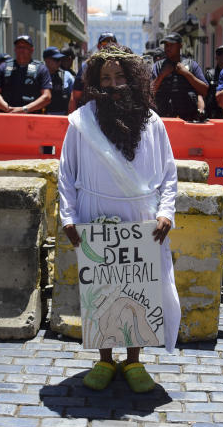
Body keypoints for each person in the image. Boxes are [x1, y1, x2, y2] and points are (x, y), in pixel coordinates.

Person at [58, 45, 180, 393]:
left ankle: (134, 360)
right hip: (95, 215)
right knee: (103, 289)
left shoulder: (152, 122)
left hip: (141, 218)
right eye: (105, 79)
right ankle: (105, 358)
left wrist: (165, 212)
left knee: (137, 291)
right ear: (96, 83)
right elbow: (66, 172)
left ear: (134, 78)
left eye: (120, 77)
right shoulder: (82, 121)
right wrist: (68, 215)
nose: (113, 85)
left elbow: (169, 174)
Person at [150, 33, 208, 120]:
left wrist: (187, 74)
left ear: (180, 46)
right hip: (164, 118)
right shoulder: (158, 66)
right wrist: (162, 75)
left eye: (171, 45)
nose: (168, 48)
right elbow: (150, 93)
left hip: (188, 118)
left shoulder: (192, 65)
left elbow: (205, 90)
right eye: (166, 45)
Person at [0, 34, 52, 113]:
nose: (21, 50)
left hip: (31, 117)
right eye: (19, 47)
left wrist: (24, 109)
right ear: (15, 49)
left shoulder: (41, 69)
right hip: (7, 115)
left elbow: (47, 97)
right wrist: (7, 109)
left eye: (25, 47)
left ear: (32, 50)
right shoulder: (4, 67)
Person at [69, 32, 117, 113]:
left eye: (112, 43)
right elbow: (75, 96)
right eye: (105, 42)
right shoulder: (87, 66)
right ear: (99, 46)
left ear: (117, 45)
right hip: (91, 114)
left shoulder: (122, 66)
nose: (109, 45)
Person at [43, 46, 74, 115]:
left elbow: (74, 98)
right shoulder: (39, 75)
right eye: (56, 60)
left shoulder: (67, 76)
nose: (59, 62)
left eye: (60, 59)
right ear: (47, 60)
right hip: (42, 118)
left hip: (62, 118)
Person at [204, 45, 223, 119]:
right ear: (216, 57)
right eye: (220, 54)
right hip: (213, 114)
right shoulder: (209, 74)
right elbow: (204, 94)